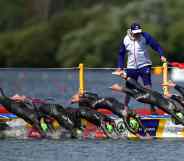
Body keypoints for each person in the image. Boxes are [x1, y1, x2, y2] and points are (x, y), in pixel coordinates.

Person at [116, 22, 167, 114]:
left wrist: (161, 55)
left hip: (144, 65)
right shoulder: (125, 39)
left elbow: (156, 46)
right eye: (136, 33)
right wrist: (120, 67)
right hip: (131, 67)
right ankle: (125, 109)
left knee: (148, 87)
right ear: (131, 32)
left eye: (139, 32)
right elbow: (121, 54)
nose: (138, 34)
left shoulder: (145, 36)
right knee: (129, 89)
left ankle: (152, 108)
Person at [110, 70, 184, 125]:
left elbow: (179, 98)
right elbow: (176, 116)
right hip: (149, 98)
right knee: (135, 95)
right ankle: (119, 87)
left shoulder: (173, 105)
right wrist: (182, 122)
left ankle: (124, 76)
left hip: (155, 94)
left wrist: (173, 89)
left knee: (139, 87)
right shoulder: (170, 109)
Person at [70, 92, 151, 138]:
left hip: (107, 100)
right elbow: (133, 124)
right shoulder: (129, 113)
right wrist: (143, 135)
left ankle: (78, 98)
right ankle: (78, 99)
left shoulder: (127, 114)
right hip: (107, 101)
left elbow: (131, 125)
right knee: (93, 101)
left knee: (93, 101)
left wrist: (143, 135)